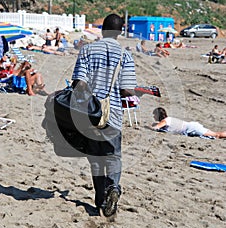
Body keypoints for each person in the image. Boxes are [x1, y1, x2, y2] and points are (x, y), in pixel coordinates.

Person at [71, 13, 137, 217]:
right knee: (113, 156)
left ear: (102, 30)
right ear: (120, 31)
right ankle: (114, 188)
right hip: (114, 115)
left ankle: (100, 199)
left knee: (95, 158)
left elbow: (78, 83)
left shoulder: (87, 50)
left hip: (89, 114)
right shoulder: (125, 55)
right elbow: (127, 90)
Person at [151, 107, 226, 139]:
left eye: (154, 115)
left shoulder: (165, 121)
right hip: (192, 127)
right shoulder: (168, 119)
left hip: (192, 128)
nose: (153, 117)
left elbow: (156, 128)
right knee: (216, 134)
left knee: (217, 135)